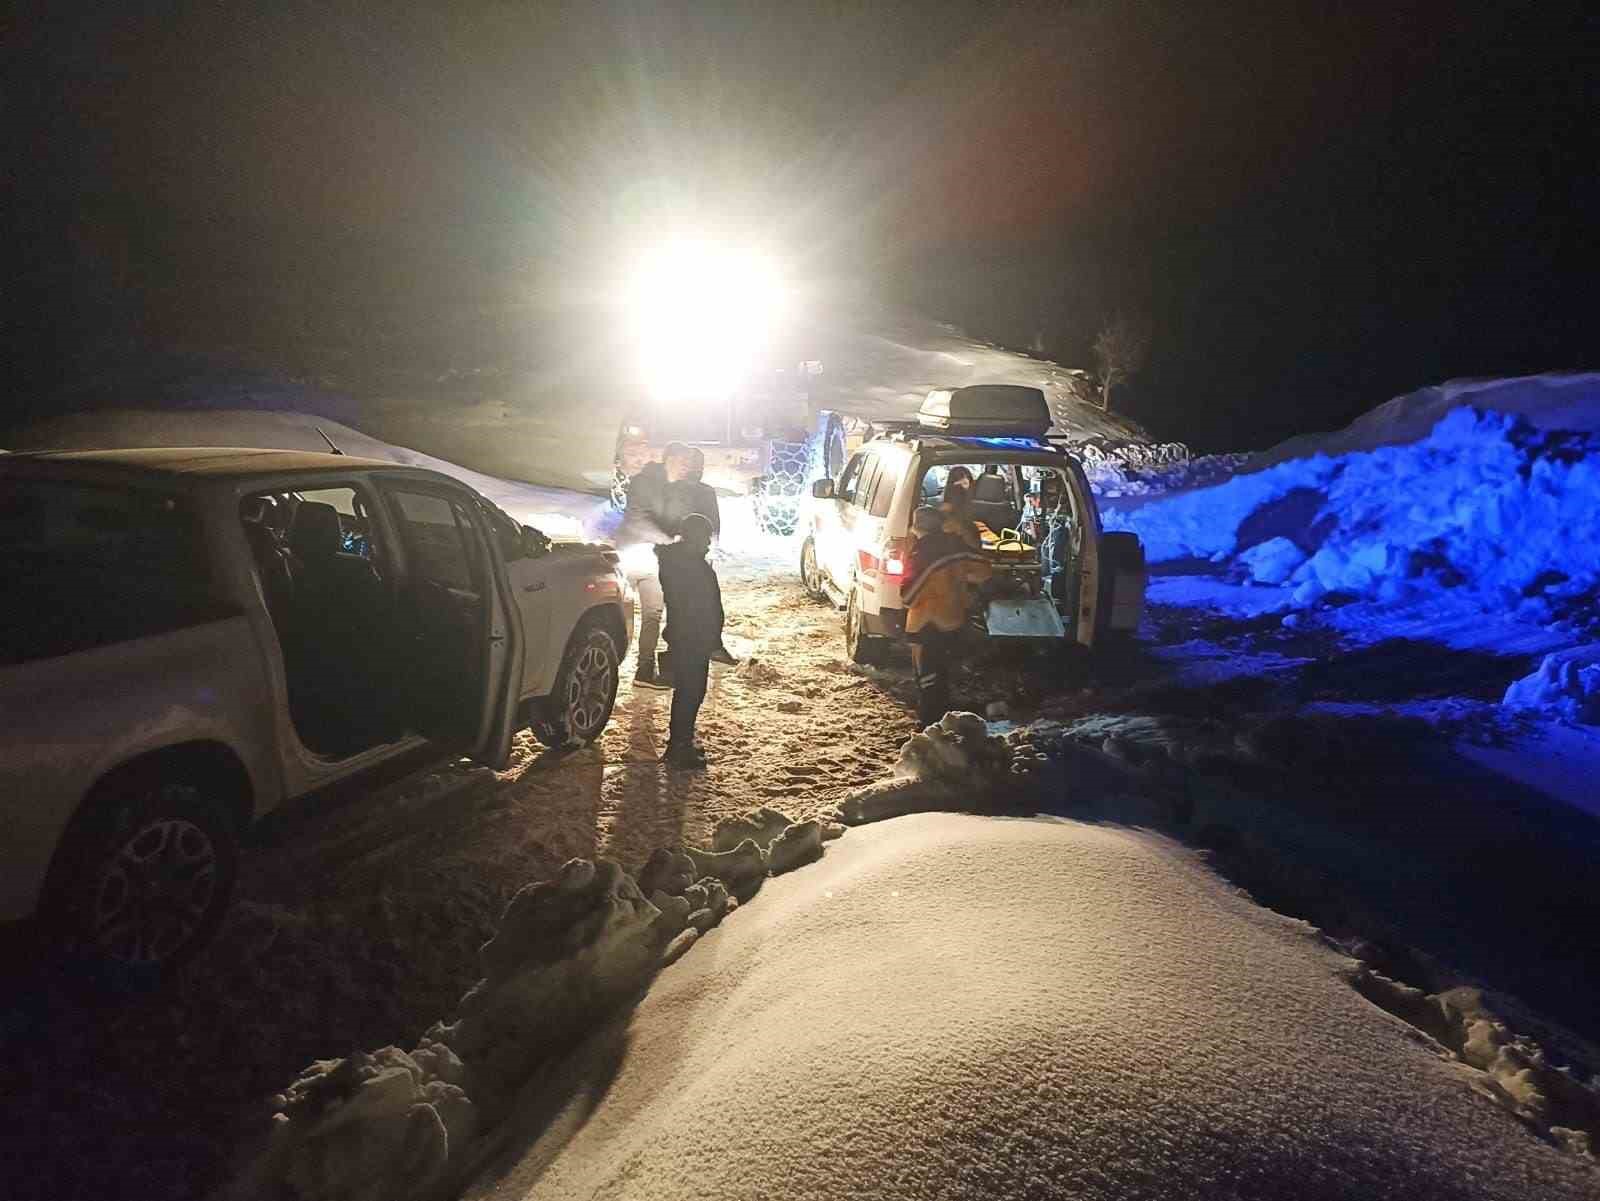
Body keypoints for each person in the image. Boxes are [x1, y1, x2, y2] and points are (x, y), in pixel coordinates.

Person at [901, 505, 991, 726]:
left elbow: (908, 596)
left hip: (926, 625)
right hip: (954, 619)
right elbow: (984, 570)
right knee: (943, 677)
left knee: (929, 684)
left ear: (917, 528)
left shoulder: (922, 554)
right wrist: (960, 581)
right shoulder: (956, 545)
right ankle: (946, 728)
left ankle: (931, 733)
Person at [618, 442, 694, 689]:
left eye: (689, 463)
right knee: (618, 614)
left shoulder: (678, 489)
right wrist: (668, 540)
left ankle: (645, 669)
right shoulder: (644, 482)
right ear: (669, 459)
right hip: (633, 552)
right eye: (683, 462)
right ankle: (608, 665)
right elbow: (636, 520)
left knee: (653, 614)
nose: (687, 467)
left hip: (656, 558)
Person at [654, 513, 723, 768]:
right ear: (692, 537)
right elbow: (703, 607)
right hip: (692, 637)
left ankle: (680, 742)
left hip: (686, 636)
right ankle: (679, 747)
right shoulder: (691, 568)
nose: (707, 544)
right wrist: (712, 639)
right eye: (704, 538)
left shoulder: (677, 562)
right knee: (691, 693)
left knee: (688, 692)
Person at [676, 447, 737, 667]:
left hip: (699, 555)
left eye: (698, 465)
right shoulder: (672, 491)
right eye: (691, 464)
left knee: (710, 604)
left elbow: (714, 523)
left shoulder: (705, 491)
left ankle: (711, 646)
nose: (695, 469)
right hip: (681, 556)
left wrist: (712, 549)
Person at [939, 467, 983, 548]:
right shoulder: (945, 514)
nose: (961, 490)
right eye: (958, 486)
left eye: (965, 483)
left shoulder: (975, 506)